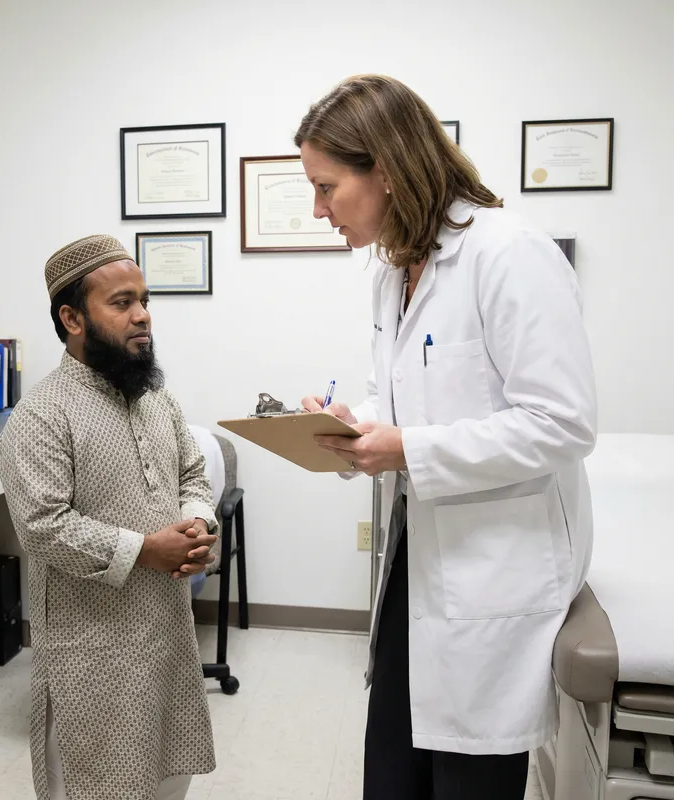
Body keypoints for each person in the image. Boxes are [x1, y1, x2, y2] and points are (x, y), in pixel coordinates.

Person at [296, 76, 597, 800]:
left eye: (327, 187)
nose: (318, 209)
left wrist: (407, 449)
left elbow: (564, 423)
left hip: (494, 571)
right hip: (418, 563)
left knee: (466, 782)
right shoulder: (393, 271)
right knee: (393, 773)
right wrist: (353, 430)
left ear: (388, 173)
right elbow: (402, 398)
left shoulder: (508, 254)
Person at [0, 234, 219, 800]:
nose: (142, 316)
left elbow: (192, 473)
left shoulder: (155, 396)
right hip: (91, 651)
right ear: (72, 318)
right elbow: (44, 526)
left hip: (165, 632)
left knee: (170, 777)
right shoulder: (40, 416)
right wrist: (148, 550)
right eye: (122, 303)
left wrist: (196, 524)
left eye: (144, 300)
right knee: (96, 783)